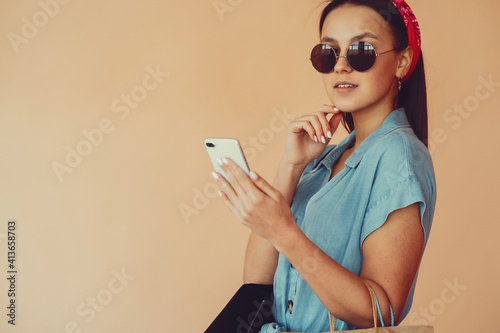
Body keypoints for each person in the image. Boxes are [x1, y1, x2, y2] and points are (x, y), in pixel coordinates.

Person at [211, 0, 436, 331]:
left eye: (361, 51)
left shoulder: (399, 159)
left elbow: (380, 311)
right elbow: (255, 287)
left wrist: (282, 230)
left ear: (402, 62)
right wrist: (291, 166)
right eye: (328, 54)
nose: (341, 67)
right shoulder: (327, 157)